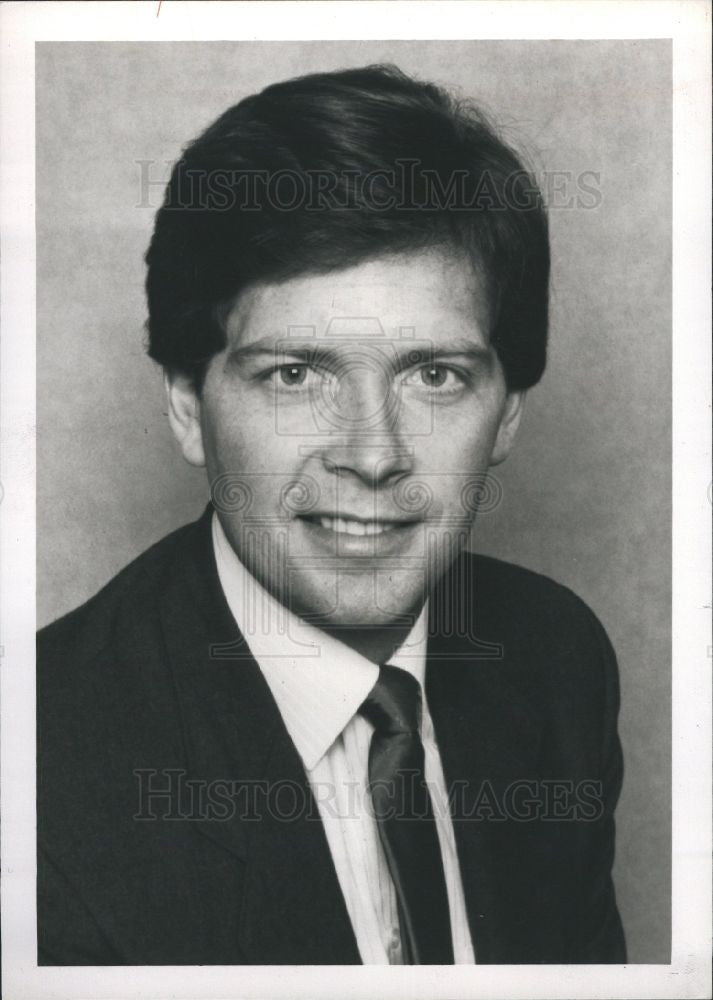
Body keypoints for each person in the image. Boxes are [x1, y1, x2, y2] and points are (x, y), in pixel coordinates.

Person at [37, 64, 626, 965]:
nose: (373, 454)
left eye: (434, 375)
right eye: (296, 374)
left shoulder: (557, 660)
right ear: (189, 405)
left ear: (507, 410)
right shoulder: (38, 763)